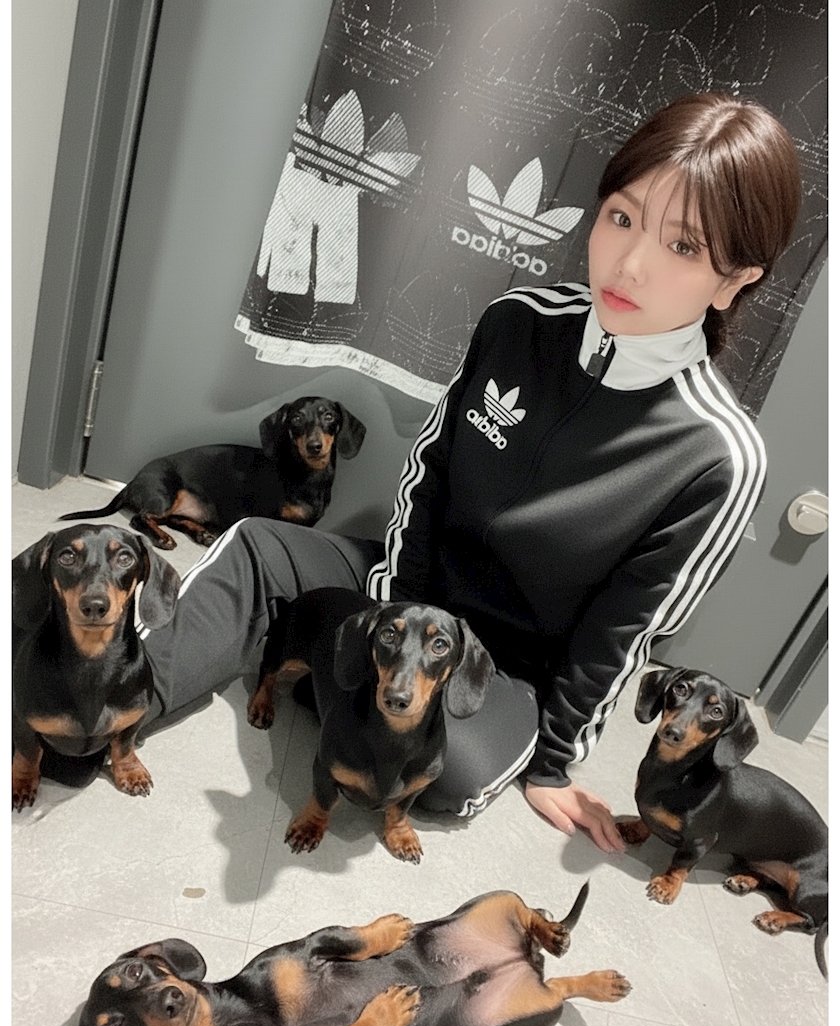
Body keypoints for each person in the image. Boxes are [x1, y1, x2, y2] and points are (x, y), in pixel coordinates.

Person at [41, 93, 803, 852]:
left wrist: (553, 761)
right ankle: (96, 712)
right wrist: (392, 622)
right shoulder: (518, 321)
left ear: (735, 280)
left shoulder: (717, 456)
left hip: (501, 671)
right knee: (257, 548)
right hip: (405, 594)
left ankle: (312, 657)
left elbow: (621, 633)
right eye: (622, 217)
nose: (629, 263)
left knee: (446, 768)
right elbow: (428, 477)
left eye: (683, 247)